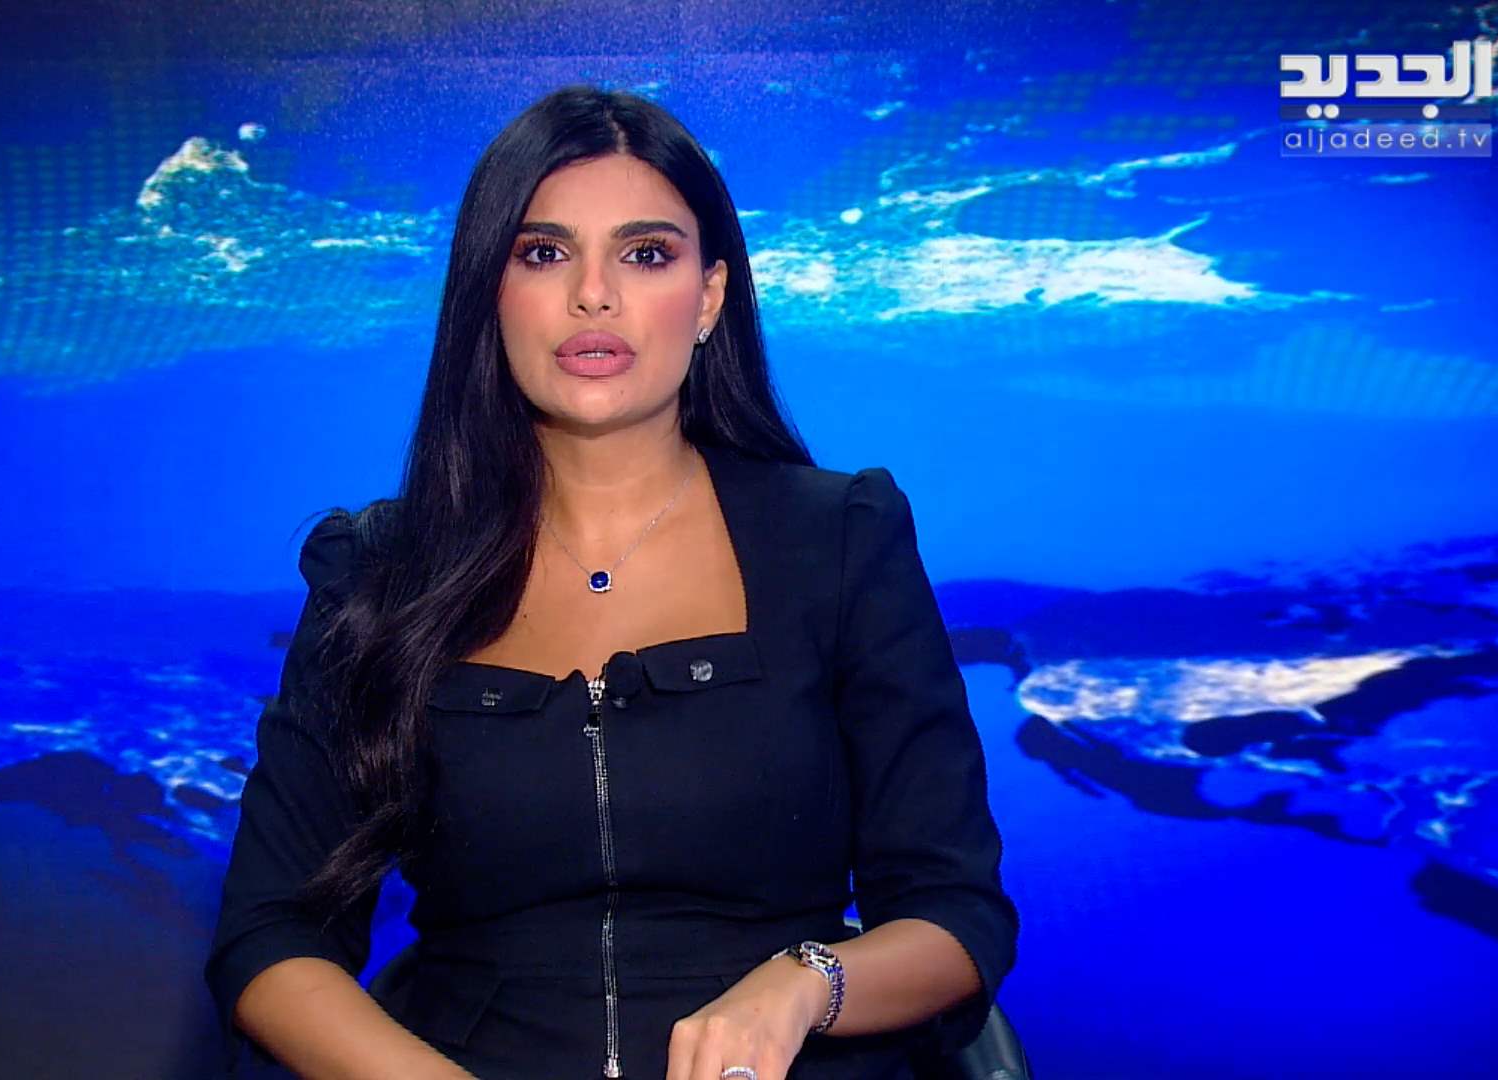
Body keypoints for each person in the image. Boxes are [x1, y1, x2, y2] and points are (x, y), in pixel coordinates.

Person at [205, 84, 1019, 1080]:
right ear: (488, 293)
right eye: (544, 254)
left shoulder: (842, 536)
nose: (594, 295)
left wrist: (803, 985)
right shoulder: (375, 566)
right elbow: (272, 935)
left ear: (709, 297)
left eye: (646, 255)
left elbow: (955, 916)